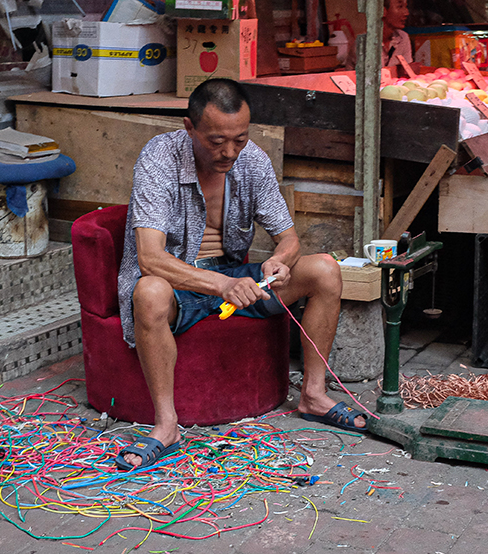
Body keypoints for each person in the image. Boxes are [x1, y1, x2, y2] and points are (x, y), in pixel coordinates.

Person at [115, 79, 366, 470]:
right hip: (180, 283)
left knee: (324, 270)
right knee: (148, 291)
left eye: (239, 139)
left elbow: (289, 238)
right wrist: (224, 285)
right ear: (189, 127)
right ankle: (167, 425)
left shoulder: (252, 161)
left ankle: (314, 395)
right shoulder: (159, 158)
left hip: (235, 277)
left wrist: (279, 261)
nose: (229, 151)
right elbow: (150, 258)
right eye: (216, 141)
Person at [382, 0, 412, 66]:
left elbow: (407, 71)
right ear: (383, 11)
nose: (406, 13)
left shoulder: (403, 37)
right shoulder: (365, 43)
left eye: (406, 7)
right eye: (400, 7)